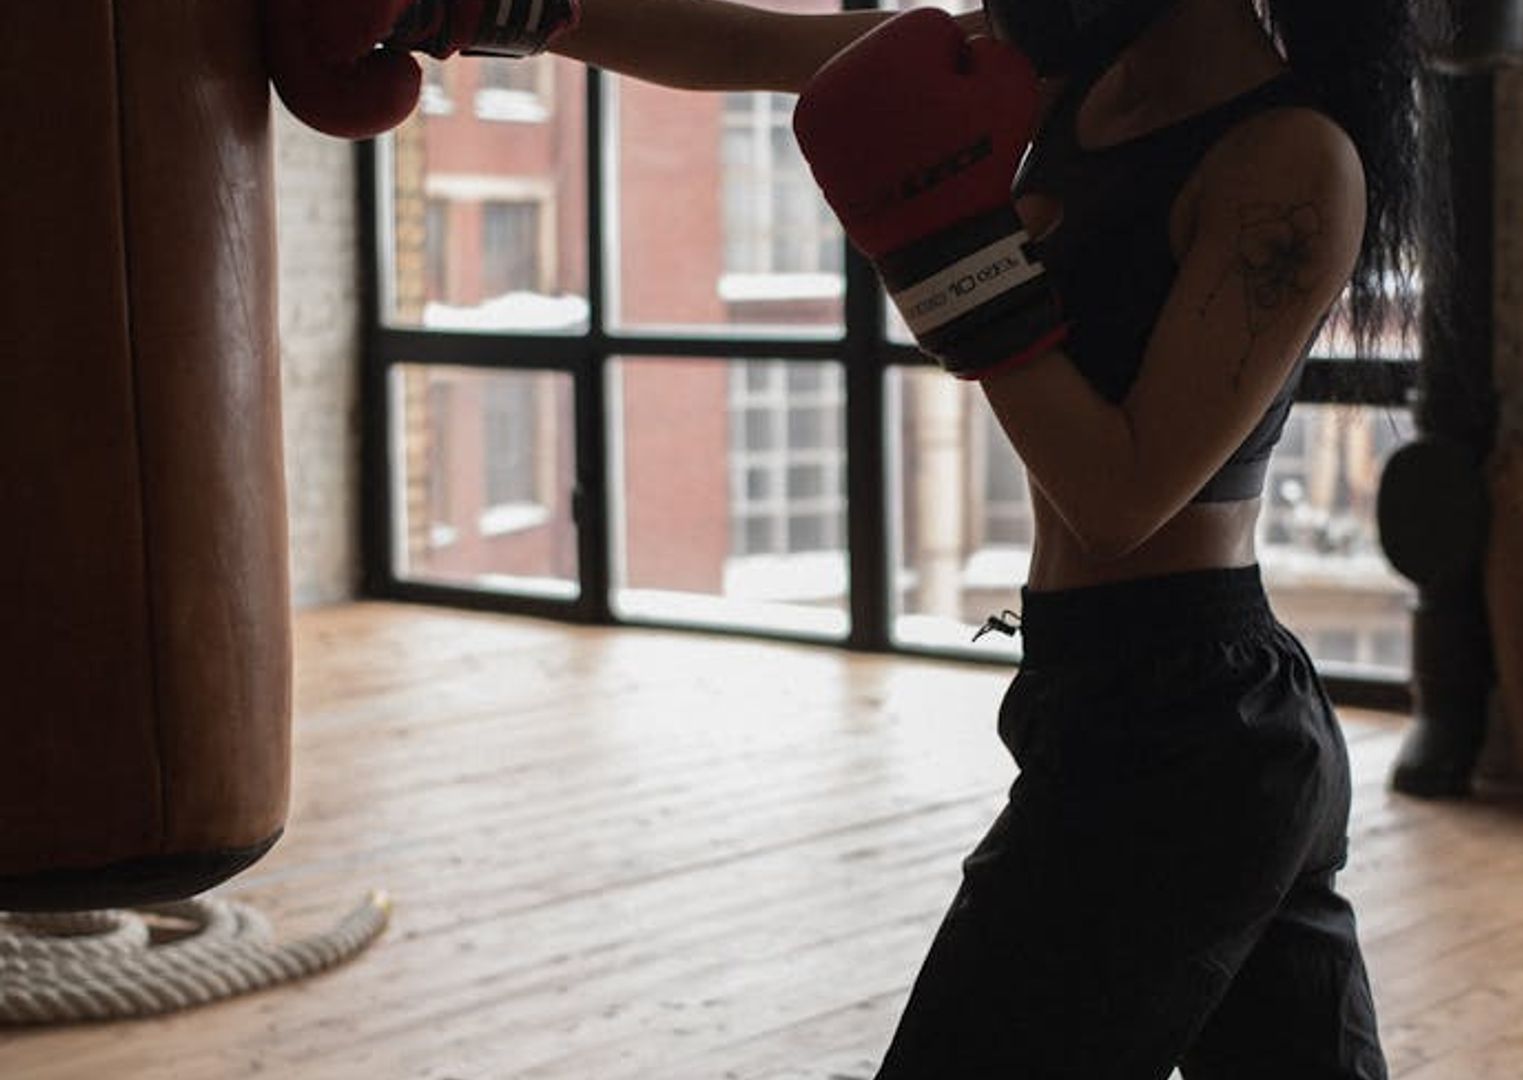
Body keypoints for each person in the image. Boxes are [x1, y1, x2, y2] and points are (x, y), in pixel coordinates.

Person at [267, 0, 1432, 1074]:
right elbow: (749, 47)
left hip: (1189, 739)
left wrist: (943, 251)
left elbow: (1120, 495)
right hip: (1126, 702)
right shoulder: (1063, 75)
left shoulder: (1290, 162)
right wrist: (504, 11)